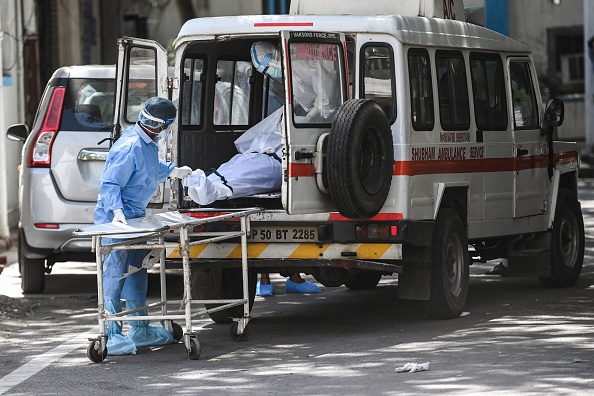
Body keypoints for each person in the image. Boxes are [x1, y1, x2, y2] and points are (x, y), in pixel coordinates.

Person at [183, 41, 321, 296]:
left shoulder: (308, 99)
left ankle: (210, 186)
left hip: (271, 161)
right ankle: (210, 184)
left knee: (240, 174)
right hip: (260, 154)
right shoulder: (290, 105)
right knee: (234, 170)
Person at [94, 97, 192, 355]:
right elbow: (110, 183)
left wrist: (173, 170)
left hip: (135, 217)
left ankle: (140, 330)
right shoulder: (130, 146)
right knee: (114, 275)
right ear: (163, 125)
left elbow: (148, 169)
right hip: (116, 218)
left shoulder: (147, 143)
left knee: (137, 270)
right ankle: (112, 334)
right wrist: (116, 212)